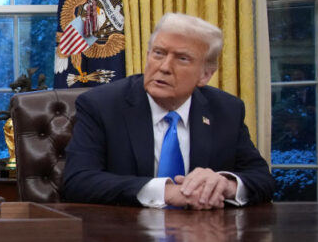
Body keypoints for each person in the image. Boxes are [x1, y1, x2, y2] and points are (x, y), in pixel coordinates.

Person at [62, 12, 275, 209]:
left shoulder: (226, 110)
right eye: (158, 53)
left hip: (205, 240)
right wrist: (166, 192)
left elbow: (262, 179)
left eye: (182, 58)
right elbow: (78, 181)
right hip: (126, 239)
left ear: (205, 75)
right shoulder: (102, 105)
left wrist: (225, 185)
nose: (164, 67)